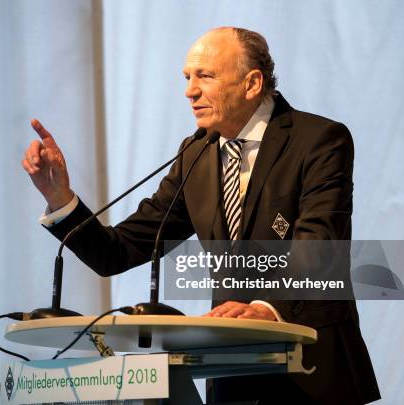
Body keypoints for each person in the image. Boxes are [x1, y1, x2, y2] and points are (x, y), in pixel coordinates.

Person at [21, 27, 380, 404]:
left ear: (252, 83)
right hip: (230, 371)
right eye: (187, 77)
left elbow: (319, 243)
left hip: (311, 374)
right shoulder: (197, 153)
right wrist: (60, 199)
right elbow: (118, 251)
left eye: (205, 76)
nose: (189, 91)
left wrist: (266, 308)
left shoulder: (319, 139)